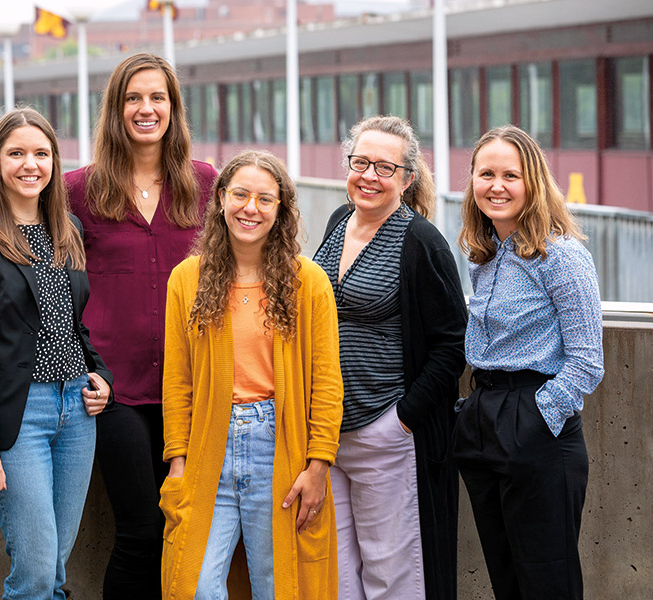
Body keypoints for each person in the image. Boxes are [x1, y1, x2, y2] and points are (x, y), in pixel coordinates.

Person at [0, 107, 113, 600]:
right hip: (17, 418)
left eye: (41, 153)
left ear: (55, 161)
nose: (30, 164)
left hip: (77, 412)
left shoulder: (69, 231)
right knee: (36, 570)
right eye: (16, 153)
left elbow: (72, 322)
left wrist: (98, 374)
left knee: (54, 567)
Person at [63, 52, 218, 598]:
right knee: (141, 529)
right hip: (115, 391)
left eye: (158, 97)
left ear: (173, 108)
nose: (146, 108)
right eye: (134, 98)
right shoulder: (78, 191)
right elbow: (50, 288)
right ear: (116, 109)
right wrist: (82, 367)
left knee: (190, 529)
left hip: (194, 388)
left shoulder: (204, 184)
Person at [161, 150, 344, 599]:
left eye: (265, 199)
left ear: (281, 210)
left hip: (278, 446)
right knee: (194, 584)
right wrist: (179, 465)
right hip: (208, 446)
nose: (250, 208)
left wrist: (318, 464)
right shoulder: (187, 279)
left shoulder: (309, 282)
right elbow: (177, 381)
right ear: (221, 198)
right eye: (240, 194)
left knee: (276, 585)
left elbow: (326, 381)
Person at [312, 115, 467, 600]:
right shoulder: (339, 221)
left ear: (407, 178)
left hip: (385, 432)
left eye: (385, 166)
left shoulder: (420, 242)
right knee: (338, 575)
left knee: (392, 577)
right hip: (327, 436)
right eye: (361, 162)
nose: (369, 176)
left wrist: (402, 419)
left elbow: (452, 343)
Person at [454, 125, 604, 600]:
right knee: (506, 579)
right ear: (473, 182)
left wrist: (538, 417)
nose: (496, 186)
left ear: (533, 182)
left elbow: (587, 360)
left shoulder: (560, 256)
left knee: (547, 581)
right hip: (485, 416)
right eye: (486, 174)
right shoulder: (485, 256)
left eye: (510, 175)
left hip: (535, 425)